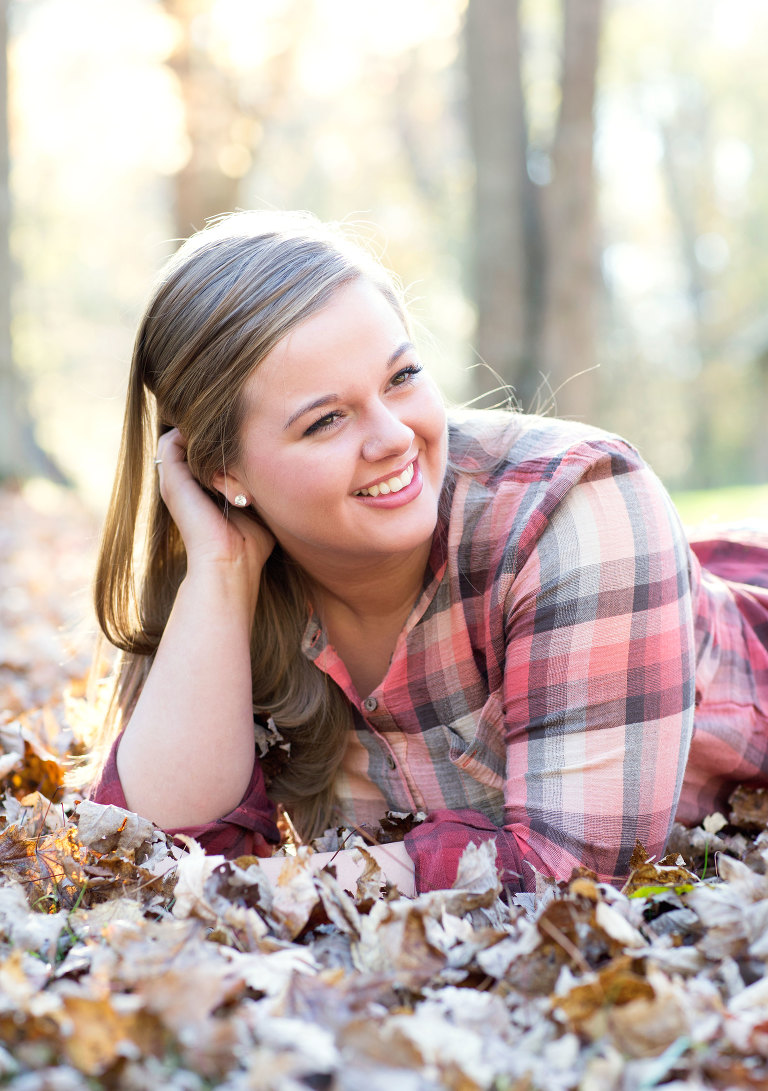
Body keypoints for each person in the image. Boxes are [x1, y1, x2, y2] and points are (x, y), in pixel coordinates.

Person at [88, 210, 768, 896]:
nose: (393, 437)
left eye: (402, 376)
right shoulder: (226, 583)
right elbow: (146, 865)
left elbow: (572, 876)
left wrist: (266, 883)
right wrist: (220, 572)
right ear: (223, 473)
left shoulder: (576, 503)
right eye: (326, 420)